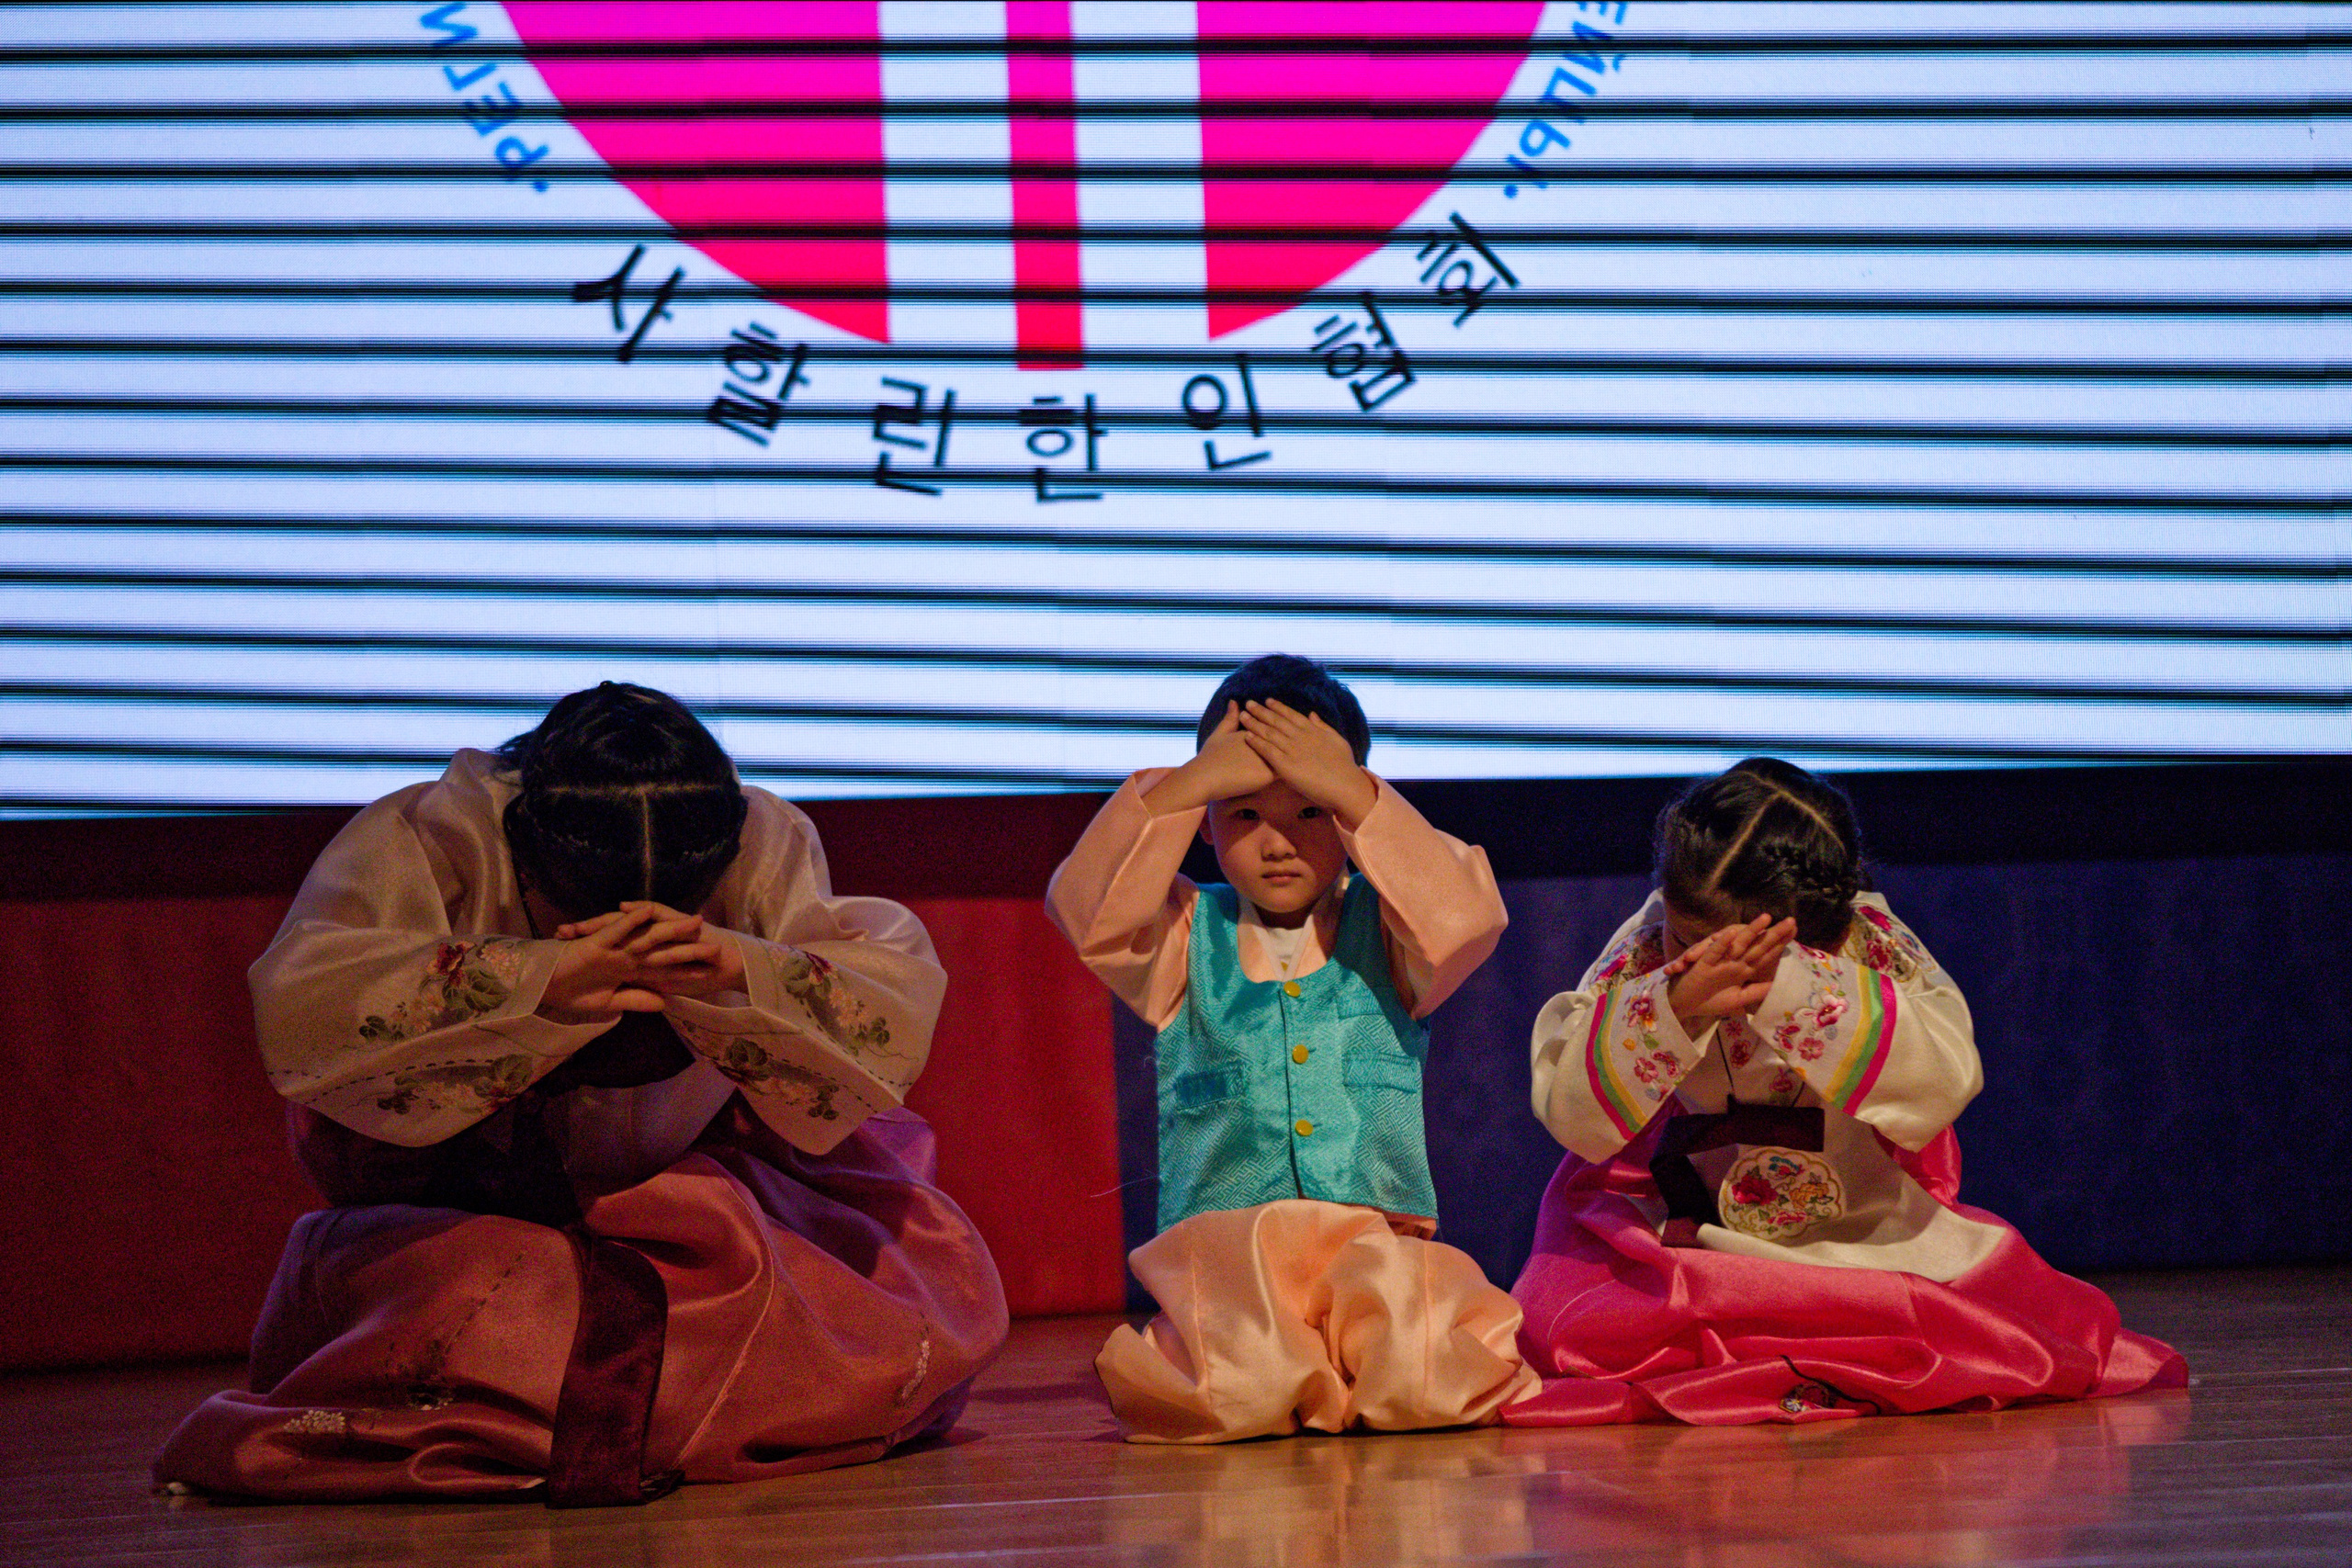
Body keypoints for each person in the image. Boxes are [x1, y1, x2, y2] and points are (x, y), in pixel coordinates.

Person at [154, 682, 1007, 1505]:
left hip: (702, 1177)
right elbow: (311, 1001)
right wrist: (538, 977)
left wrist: (739, 964)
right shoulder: (439, 836)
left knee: (823, 1309)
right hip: (470, 1200)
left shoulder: (761, 837)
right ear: (528, 857)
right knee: (502, 1323)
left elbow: (885, 991)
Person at [1507, 757, 2185, 1426]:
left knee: (1953, 1324)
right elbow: (1572, 1110)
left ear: (1814, 931)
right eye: (1689, 938)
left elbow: (1945, 1079)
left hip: (1857, 1221)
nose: (1713, 962)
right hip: (1691, 1225)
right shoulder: (1650, 949)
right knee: (1589, 1321)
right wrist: (1674, 1007)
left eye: (1747, 950)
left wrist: (1796, 987)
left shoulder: (1864, 944)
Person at [1046, 655, 1537, 1442]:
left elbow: (1467, 916)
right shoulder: (1182, 938)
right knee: (1238, 1391)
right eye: (1244, 813)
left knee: (1424, 1378)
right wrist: (1187, 783)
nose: (1278, 842)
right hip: (1229, 1252)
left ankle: (1341, 1369)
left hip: (1369, 1240)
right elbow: (1086, 908)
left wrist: (1349, 787)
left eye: (1310, 811)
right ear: (1205, 823)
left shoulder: (1391, 931)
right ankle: (1306, 1376)